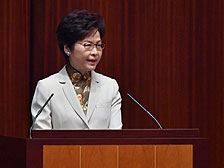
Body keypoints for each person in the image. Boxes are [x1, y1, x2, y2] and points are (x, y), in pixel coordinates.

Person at [31, 10, 122, 130]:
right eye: (88, 45)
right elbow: (41, 140)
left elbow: (116, 139)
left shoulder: (110, 86)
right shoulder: (47, 87)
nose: (95, 52)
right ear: (67, 48)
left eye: (99, 45)